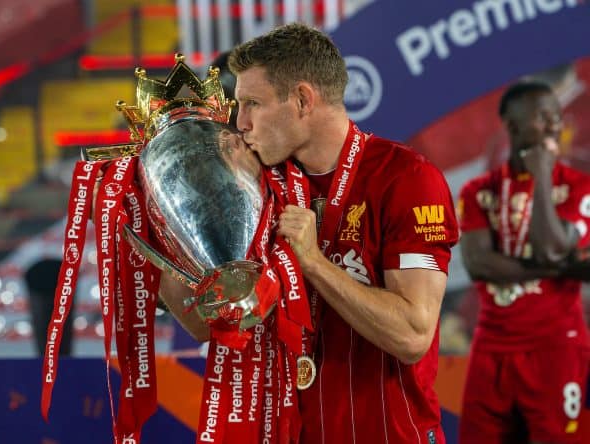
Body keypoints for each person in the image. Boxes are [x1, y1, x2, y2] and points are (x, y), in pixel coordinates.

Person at [159, 23, 459, 443]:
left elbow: (412, 335)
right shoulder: (256, 187)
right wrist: (161, 230)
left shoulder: (405, 179)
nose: (240, 122)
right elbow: (206, 326)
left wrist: (313, 262)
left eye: (252, 104)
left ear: (302, 99)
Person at [457, 80, 590, 444]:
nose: (553, 125)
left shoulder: (578, 186)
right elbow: (480, 264)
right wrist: (560, 267)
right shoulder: (479, 191)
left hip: (554, 346)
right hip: (491, 347)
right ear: (513, 125)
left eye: (557, 117)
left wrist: (542, 177)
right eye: (543, 116)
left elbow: (548, 249)